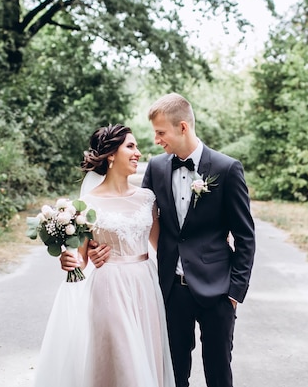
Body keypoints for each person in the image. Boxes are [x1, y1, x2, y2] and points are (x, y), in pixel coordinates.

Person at [62, 93, 256, 387]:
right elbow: (140, 220)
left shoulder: (227, 168)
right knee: (172, 373)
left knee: (219, 372)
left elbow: (245, 236)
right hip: (170, 291)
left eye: (161, 132)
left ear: (183, 127)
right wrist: (99, 247)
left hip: (217, 290)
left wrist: (234, 292)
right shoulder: (157, 168)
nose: (156, 140)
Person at [33, 124, 174, 387]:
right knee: (122, 365)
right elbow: (82, 258)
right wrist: (69, 259)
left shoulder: (147, 199)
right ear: (110, 154)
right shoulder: (88, 204)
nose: (138, 153)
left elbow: (164, 245)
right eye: (130, 146)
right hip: (109, 288)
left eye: (137, 147)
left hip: (145, 287)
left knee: (145, 358)